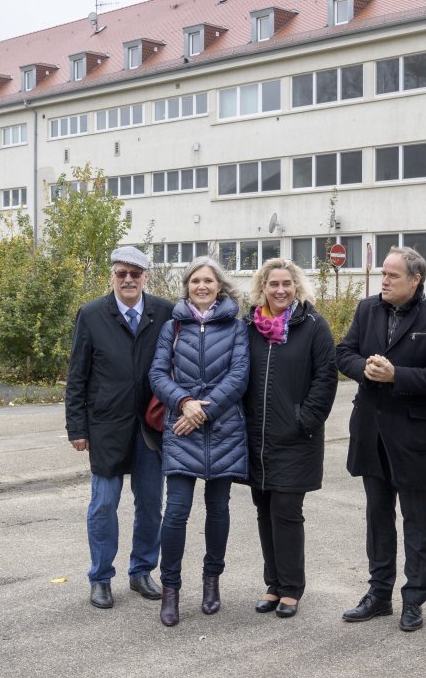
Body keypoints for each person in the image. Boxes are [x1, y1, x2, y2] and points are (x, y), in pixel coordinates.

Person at [336, 247, 426, 632]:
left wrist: (397, 376)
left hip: (412, 432)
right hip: (370, 429)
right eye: (383, 274)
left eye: (392, 275)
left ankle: (415, 598)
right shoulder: (366, 309)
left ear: (415, 279)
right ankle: (379, 594)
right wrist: (365, 369)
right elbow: (343, 353)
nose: (383, 281)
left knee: (416, 520)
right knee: (377, 517)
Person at [65, 246, 174, 610]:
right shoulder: (93, 314)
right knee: (103, 504)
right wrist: (76, 427)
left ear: (146, 276)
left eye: (135, 273)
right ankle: (100, 577)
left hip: (151, 425)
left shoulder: (165, 312)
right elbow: (77, 376)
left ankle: (142, 570)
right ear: (112, 276)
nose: (128, 280)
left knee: (149, 503)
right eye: (121, 273)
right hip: (106, 425)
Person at [148, 256, 249, 627]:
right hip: (181, 429)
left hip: (223, 429)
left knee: (218, 510)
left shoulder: (237, 327)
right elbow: (157, 374)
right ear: (187, 287)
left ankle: (212, 582)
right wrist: (185, 404)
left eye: (208, 280)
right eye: (195, 281)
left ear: (219, 286)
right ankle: (170, 589)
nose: (201, 286)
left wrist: (203, 412)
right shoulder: (173, 326)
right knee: (175, 512)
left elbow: (240, 376)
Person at [242, 258, 338, 618]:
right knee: (263, 510)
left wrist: (304, 420)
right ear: (262, 288)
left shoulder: (313, 326)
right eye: (273, 284)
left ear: (297, 286)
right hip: (257, 438)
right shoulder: (249, 325)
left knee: (286, 511)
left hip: (295, 438)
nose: (280, 290)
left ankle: (292, 587)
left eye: (287, 284)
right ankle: (273, 584)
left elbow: (325, 378)